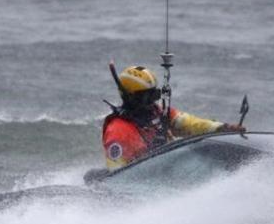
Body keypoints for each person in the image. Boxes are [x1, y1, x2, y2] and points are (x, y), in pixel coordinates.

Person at [102, 65, 245, 170]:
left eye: (154, 94)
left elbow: (190, 124)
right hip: (149, 182)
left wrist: (222, 128)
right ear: (132, 97)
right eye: (147, 96)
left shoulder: (159, 113)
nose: (153, 101)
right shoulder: (118, 130)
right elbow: (117, 172)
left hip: (171, 169)